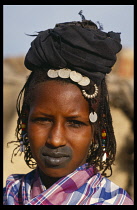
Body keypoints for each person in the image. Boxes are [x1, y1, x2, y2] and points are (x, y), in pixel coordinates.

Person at [3, 12, 133, 205]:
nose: (55, 139)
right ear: (24, 122)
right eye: (43, 120)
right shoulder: (11, 194)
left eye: (75, 123)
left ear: (97, 131)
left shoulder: (113, 201)